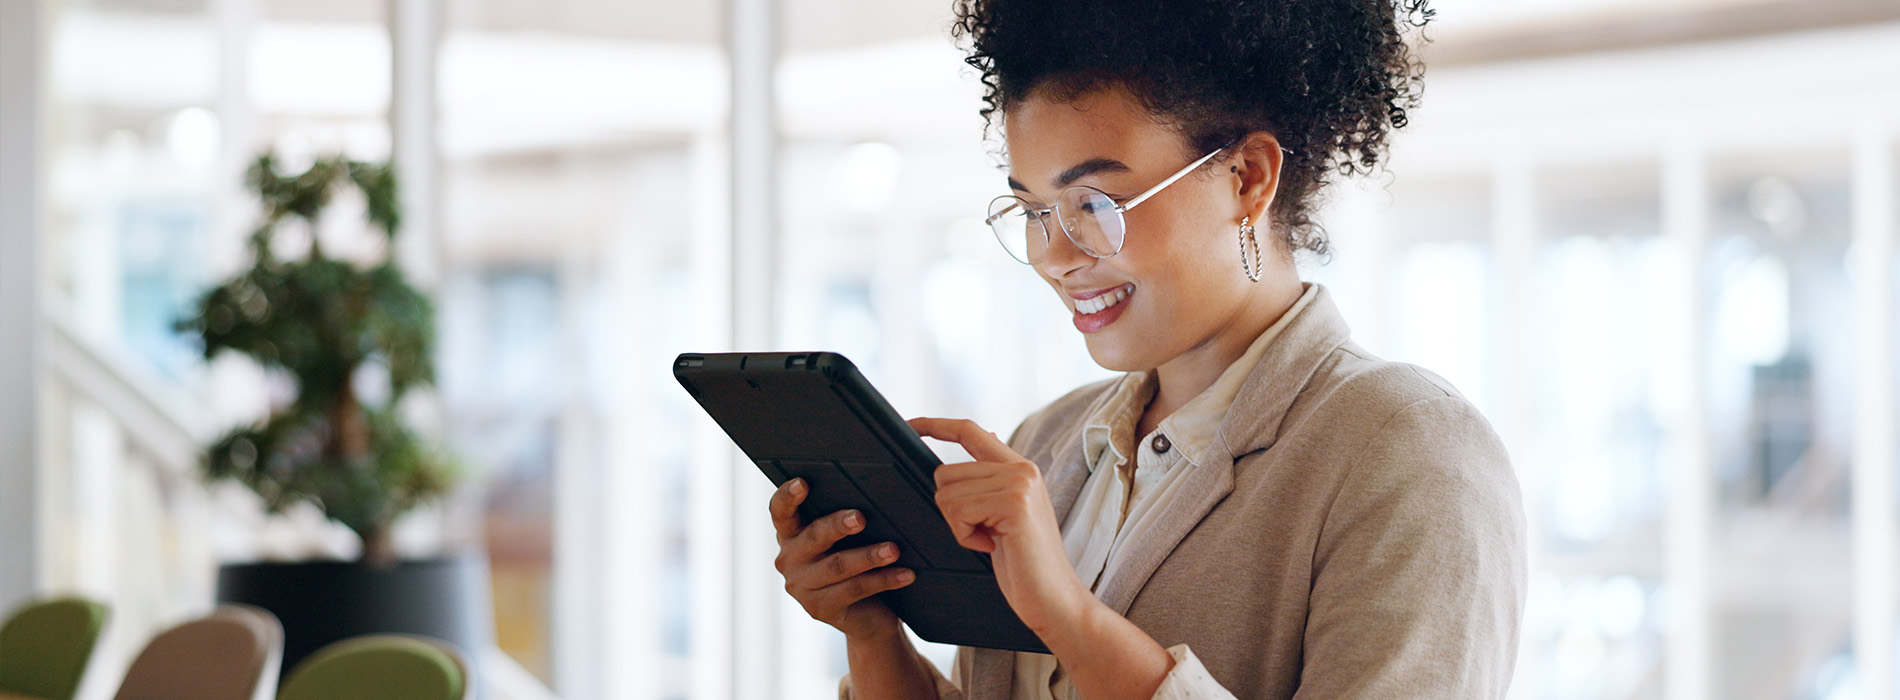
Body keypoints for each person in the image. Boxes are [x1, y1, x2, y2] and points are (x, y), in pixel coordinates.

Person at [767, 0, 1527, 698]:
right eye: (1033, 210)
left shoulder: (1409, 453)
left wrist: (1069, 617)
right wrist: (873, 635)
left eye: (1094, 203)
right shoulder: (1050, 444)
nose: (1056, 256)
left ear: (1246, 178)